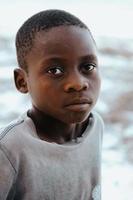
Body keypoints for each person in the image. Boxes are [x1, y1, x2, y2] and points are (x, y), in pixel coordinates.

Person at [0, 9, 104, 200]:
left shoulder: (95, 126)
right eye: (55, 70)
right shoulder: (9, 149)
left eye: (87, 67)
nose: (78, 83)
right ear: (22, 81)